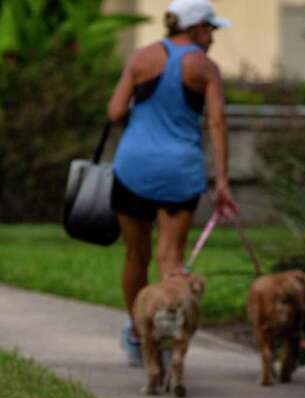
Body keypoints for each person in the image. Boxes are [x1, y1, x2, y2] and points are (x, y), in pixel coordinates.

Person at [107, 0, 240, 366]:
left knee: (136, 256)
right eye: (210, 30)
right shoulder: (205, 68)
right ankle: (169, 338)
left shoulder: (141, 58)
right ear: (195, 29)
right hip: (180, 173)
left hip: (134, 168)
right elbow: (216, 124)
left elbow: (115, 111)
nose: (212, 38)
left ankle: (139, 334)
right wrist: (223, 181)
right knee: (171, 260)